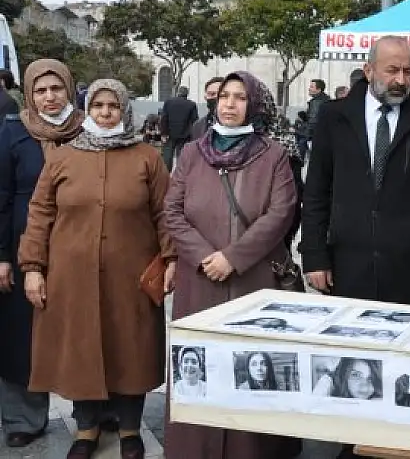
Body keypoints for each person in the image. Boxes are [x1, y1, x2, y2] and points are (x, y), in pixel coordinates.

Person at [19, 79, 175, 459]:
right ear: (86, 109)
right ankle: (86, 429)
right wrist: (33, 266)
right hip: (71, 275)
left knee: (131, 348)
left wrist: (171, 259)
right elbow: (40, 213)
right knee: (80, 348)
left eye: (113, 107)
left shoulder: (146, 157)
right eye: (97, 106)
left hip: (132, 274)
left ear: (125, 110)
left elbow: (165, 212)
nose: (105, 114)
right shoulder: (63, 157)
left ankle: (129, 429)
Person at [163, 71, 298, 459]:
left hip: (251, 281)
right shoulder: (191, 152)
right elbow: (172, 210)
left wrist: (233, 258)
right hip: (199, 278)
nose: (230, 104)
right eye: (224, 96)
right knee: (198, 364)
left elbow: (281, 212)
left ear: (252, 104)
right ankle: (195, 447)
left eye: (240, 97)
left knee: (250, 362)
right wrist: (206, 257)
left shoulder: (272, 154)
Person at [300, 36, 410, 306]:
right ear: (369, 70)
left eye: (408, 71)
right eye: (392, 70)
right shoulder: (333, 117)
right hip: (345, 266)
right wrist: (314, 256)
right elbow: (316, 193)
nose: (401, 80)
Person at [0, 60, 83, 449]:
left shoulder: (87, 132)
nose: (49, 97)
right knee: (20, 333)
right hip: (23, 244)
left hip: (78, 244)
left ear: (69, 89)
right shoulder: (13, 132)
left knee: (81, 328)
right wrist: (2, 255)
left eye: (56, 89)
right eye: (40, 91)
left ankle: (94, 413)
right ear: (29, 95)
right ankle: (24, 416)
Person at [160, 85, 199, 171]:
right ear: (187, 94)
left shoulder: (168, 102)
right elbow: (195, 121)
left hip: (169, 134)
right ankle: (180, 174)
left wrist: (163, 133)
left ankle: (166, 174)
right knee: (181, 156)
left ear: (178, 92)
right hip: (185, 134)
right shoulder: (191, 104)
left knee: (167, 155)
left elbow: (164, 118)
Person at [305, 78, 330, 147]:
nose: (309, 89)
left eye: (312, 87)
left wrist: (308, 138)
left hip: (316, 138)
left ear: (319, 90)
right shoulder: (327, 99)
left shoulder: (316, 102)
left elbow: (313, 122)